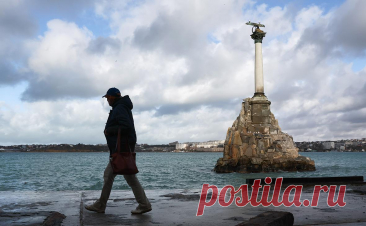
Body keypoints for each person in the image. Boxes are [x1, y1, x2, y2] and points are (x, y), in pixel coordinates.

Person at [85, 87, 151, 214]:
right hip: (122, 148)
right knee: (127, 177)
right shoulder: (121, 107)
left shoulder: (120, 108)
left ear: (113, 97)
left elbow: (126, 126)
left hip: (121, 149)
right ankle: (144, 204)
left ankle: (101, 205)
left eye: (108, 98)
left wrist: (109, 130)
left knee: (110, 175)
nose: (107, 100)